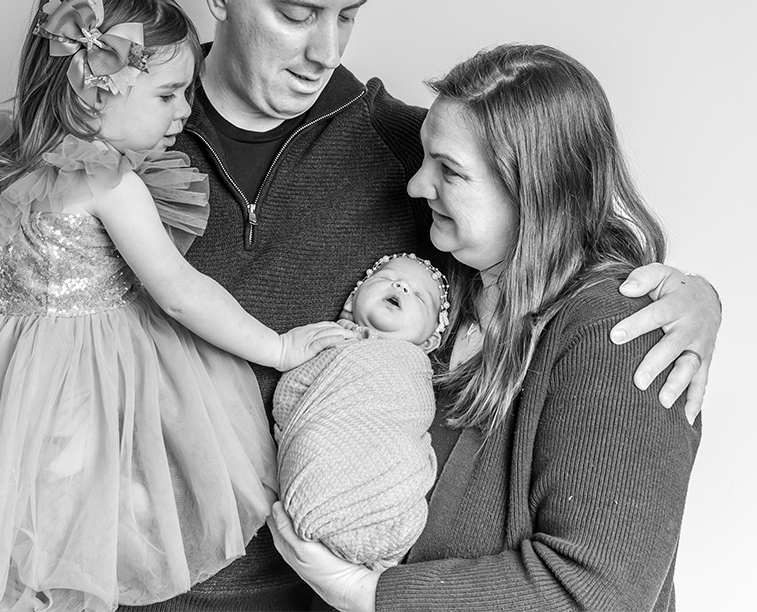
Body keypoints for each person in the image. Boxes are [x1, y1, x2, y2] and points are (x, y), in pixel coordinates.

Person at [0, 0, 722, 611]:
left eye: (348, 16)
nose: (326, 50)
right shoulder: (114, 129)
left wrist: (692, 300)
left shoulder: (410, 153)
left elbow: (552, 218)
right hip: (107, 587)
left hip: (323, 592)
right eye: (296, 13)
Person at [0, 0, 353, 612]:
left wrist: (18, 271)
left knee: (1, 513)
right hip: (76, 381)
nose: (185, 110)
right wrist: (278, 350)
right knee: (76, 525)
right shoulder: (113, 184)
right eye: (168, 95)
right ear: (97, 90)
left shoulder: (9, 154)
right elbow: (179, 291)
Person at [269, 44, 704, 612]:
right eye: (425, 158)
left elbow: (599, 592)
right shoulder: (443, 292)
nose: (417, 186)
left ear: (535, 192)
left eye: (449, 171)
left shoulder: (624, 334)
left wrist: (367, 594)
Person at [274, 253, 450, 571]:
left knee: (406, 455)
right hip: (321, 459)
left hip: (391, 472)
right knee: (314, 442)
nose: (401, 285)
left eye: (421, 297)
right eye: (387, 278)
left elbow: (413, 420)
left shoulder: (414, 367)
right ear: (353, 298)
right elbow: (291, 393)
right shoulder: (329, 339)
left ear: (431, 339)